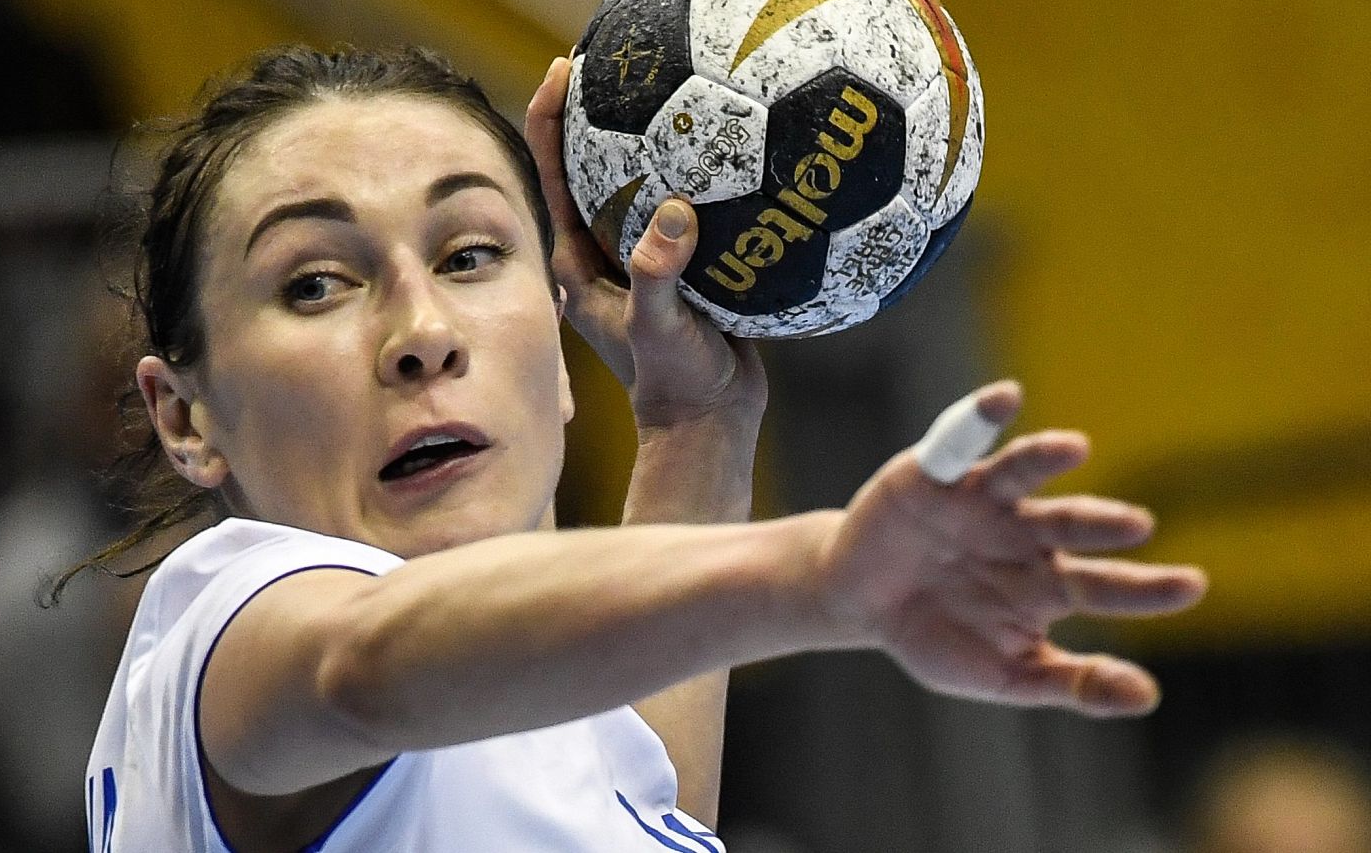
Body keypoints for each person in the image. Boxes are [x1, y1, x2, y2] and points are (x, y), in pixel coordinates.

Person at [72, 45, 1206, 853]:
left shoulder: (556, 732)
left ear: (556, 340)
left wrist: (698, 424)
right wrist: (818, 575)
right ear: (186, 416)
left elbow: (639, 799)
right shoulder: (228, 628)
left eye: (469, 255)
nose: (421, 335)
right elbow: (365, 666)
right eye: (316, 283)